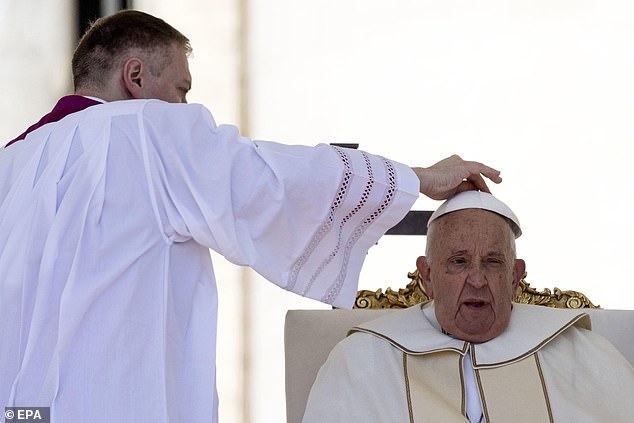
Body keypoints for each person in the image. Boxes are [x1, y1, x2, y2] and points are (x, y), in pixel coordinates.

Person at [0, 9, 504, 423]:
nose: (185, 104)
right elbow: (272, 181)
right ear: (135, 77)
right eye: (182, 89)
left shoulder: (11, 165)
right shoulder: (146, 130)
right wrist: (416, 177)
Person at [303, 191, 634, 423]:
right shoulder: (363, 358)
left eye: (492, 262)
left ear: (516, 276)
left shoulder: (581, 354)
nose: (476, 279)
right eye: (458, 262)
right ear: (427, 276)